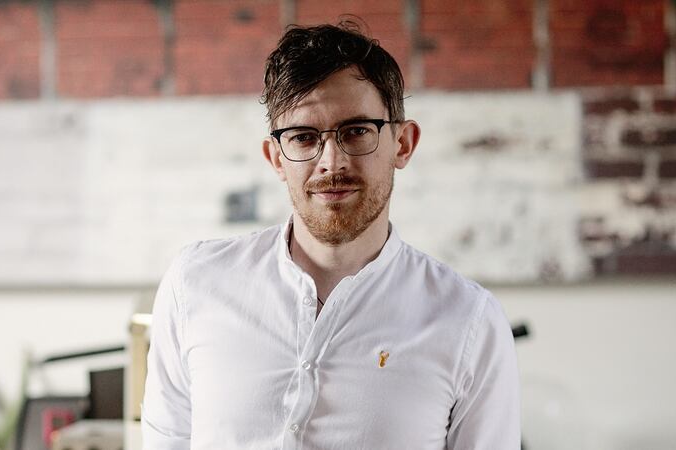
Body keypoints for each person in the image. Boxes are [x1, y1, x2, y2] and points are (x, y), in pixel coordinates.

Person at [141, 19, 520, 450]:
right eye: (304, 137)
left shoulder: (469, 321)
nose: (331, 162)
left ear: (403, 143)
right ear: (276, 158)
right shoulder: (195, 284)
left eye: (356, 131)